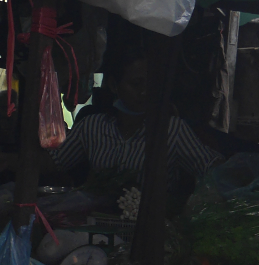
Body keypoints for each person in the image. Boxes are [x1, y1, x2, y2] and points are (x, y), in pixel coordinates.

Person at [48, 55, 222, 192]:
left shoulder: (171, 130)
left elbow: (211, 168)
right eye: (136, 84)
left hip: (148, 228)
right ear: (114, 85)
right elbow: (55, 162)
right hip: (98, 222)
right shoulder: (92, 126)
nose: (145, 91)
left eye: (150, 84)